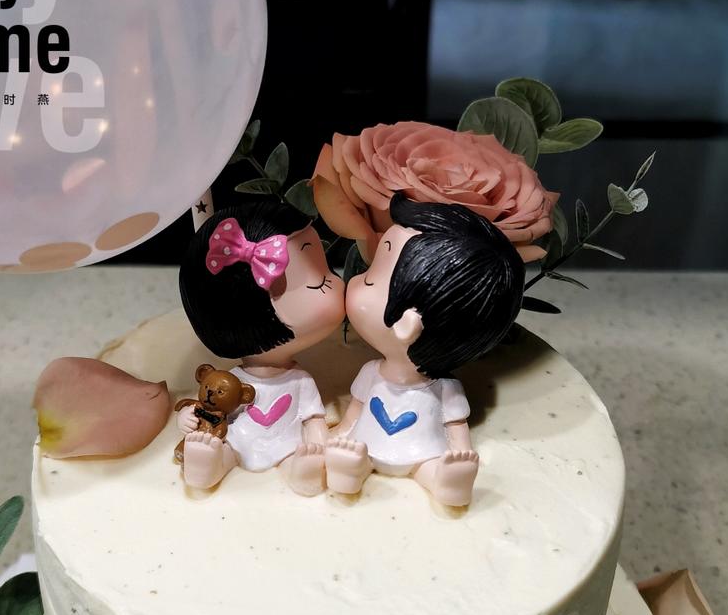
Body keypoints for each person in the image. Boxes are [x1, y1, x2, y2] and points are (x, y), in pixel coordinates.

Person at [327, 192, 524, 507]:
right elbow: (355, 410)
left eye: (372, 278)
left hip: (424, 453)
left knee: (430, 468)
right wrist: (342, 431)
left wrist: (459, 452)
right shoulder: (372, 373)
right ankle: (351, 470)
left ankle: (445, 482)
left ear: (407, 324)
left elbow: (455, 426)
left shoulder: (444, 388)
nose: (356, 279)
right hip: (367, 444)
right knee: (357, 455)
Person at [177, 202, 345, 493]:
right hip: (238, 437)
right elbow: (205, 407)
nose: (339, 283)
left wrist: (319, 445)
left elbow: (313, 420)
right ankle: (206, 466)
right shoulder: (230, 380)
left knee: (297, 456)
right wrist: (186, 419)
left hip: (287, 442)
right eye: (320, 280)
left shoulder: (300, 380)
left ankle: (303, 473)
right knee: (225, 449)